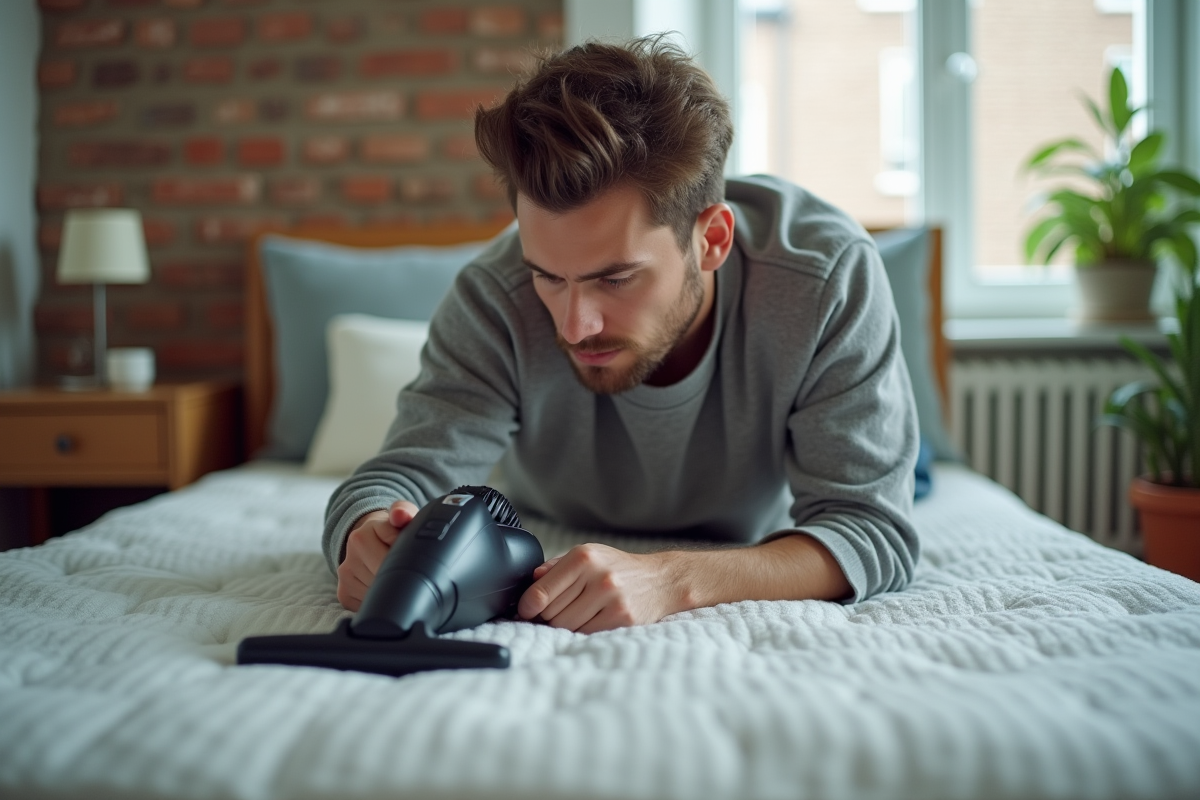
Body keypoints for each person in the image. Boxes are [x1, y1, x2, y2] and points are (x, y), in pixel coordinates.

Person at [323, 37, 920, 634]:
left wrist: (671, 579)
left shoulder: (824, 277)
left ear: (711, 240)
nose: (574, 326)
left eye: (615, 279)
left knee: (909, 475)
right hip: (549, 508)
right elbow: (393, 480)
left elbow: (869, 529)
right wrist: (367, 535)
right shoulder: (494, 294)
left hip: (774, 500)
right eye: (548, 277)